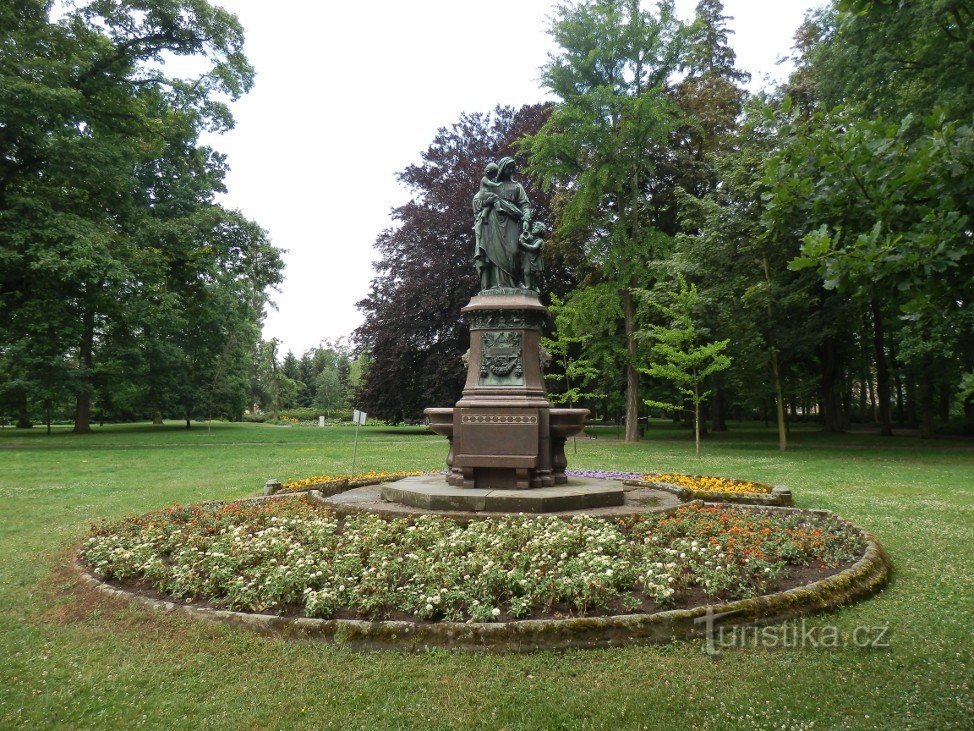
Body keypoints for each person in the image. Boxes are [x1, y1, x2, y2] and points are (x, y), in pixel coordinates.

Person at [471, 156, 531, 290]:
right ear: (502, 168)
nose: (511, 171)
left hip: (511, 221)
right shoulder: (491, 184)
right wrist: (485, 203)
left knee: (514, 252)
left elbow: (524, 204)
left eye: (513, 168)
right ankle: (496, 284)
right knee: (493, 252)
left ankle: (514, 281)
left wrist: (526, 219)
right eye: (508, 168)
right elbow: (478, 199)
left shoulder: (517, 186)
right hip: (492, 222)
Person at [518, 220, 545, 291]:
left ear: (541, 231)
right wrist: (522, 238)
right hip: (527, 257)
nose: (533, 228)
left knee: (537, 274)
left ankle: (535, 285)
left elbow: (533, 248)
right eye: (534, 227)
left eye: (536, 228)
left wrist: (523, 244)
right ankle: (528, 286)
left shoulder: (540, 241)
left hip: (535, 259)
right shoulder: (531, 238)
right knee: (526, 272)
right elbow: (524, 239)